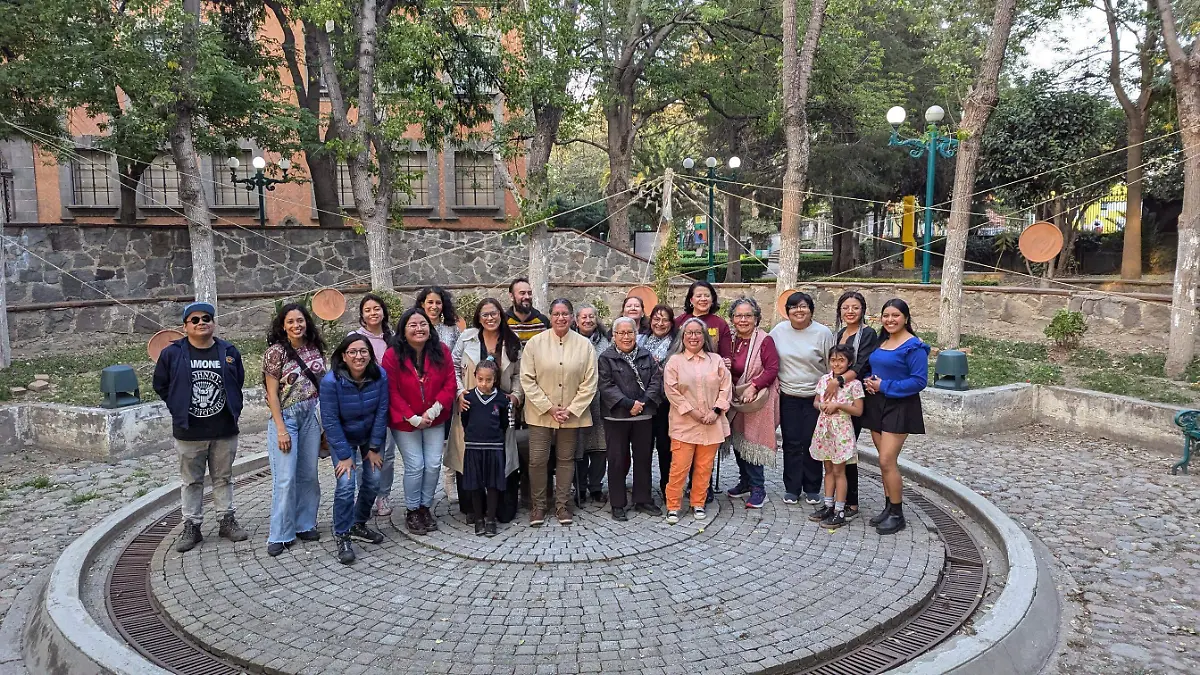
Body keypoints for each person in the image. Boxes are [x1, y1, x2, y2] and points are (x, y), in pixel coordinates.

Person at [152, 301, 248, 553]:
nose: (201, 323)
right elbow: (161, 384)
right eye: (194, 320)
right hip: (189, 431)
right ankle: (192, 526)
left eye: (206, 318)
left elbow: (238, 380)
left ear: (213, 323)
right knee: (191, 481)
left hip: (223, 428)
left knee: (223, 478)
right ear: (185, 327)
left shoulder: (228, 351)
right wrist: (177, 405)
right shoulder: (172, 354)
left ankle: (226, 520)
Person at [519, 298, 598, 527]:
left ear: (572, 317)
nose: (561, 318)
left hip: (571, 414)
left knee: (565, 459)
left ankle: (563, 504)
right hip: (541, 413)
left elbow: (590, 381)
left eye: (565, 314)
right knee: (537, 460)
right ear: (550, 316)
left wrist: (571, 409)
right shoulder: (535, 343)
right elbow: (527, 379)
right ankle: (539, 505)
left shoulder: (584, 345)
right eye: (556, 314)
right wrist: (549, 407)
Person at [448, 297, 524, 524]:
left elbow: (520, 374)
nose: (490, 318)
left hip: (499, 411)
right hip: (471, 408)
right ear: (478, 318)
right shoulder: (467, 337)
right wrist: (459, 392)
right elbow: (453, 366)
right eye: (485, 314)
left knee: (501, 457)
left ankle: (498, 506)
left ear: (501, 315)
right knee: (469, 457)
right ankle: (474, 508)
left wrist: (516, 396)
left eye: (494, 313)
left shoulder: (512, 340)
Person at [382, 308, 457, 535]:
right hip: (405, 421)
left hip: (434, 417)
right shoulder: (392, 355)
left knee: (433, 464)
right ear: (403, 330)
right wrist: (413, 417)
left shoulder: (441, 351)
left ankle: (425, 507)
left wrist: (432, 412)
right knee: (416, 465)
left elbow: (450, 383)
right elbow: (391, 390)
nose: (419, 329)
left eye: (423, 324)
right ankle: (413, 509)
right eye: (413, 325)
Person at [262, 303, 327, 557]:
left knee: (308, 474)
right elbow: (272, 394)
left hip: (312, 416)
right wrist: (281, 429)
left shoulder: (314, 348)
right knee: (285, 478)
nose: (296, 325)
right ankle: (280, 533)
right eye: (290, 322)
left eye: (300, 320)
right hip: (286, 418)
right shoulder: (275, 353)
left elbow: (323, 385)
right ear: (283, 325)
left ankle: (305, 523)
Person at [320, 335, 389, 564]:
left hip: (370, 436)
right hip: (343, 438)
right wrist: (343, 455)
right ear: (343, 356)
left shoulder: (380, 376)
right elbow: (330, 421)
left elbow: (382, 411)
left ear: (370, 354)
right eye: (352, 352)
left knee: (374, 480)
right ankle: (342, 534)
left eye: (363, 351)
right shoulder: (331, 382)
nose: (358, 356)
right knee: (346, 484)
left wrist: (374, 447)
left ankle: (358, 523)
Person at [863, 299, 929, 536]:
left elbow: (919, 381)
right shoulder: (882, 341)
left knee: (886, 460)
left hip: (900, 406)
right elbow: (874, 368)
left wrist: (884, 386)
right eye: (886, 315)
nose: (890, 320)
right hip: (876, 404)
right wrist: (869, 381)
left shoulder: (914, 347)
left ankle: (897, 514)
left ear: (906, 318)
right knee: (883, 461)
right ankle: (889, 507)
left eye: (895, 315)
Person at [662, 318, 731, 524]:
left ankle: (698, 503)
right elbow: (671, 390)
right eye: (689, 333)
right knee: (679, 468)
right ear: (682, 337)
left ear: (704, 336)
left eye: (698, 333)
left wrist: (716, 411)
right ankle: (673, 505)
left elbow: (726, 387)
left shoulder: (716, 360)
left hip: (711, 423)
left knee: (704, 468)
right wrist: (692, 412)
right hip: (684, 423)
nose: (694, 337)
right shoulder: (675, 361)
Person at [769, 291, 835, 506]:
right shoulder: (778, 332)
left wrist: (825, 393)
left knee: (811, 442)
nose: (799, 310)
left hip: (814, 397)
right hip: (788, 396)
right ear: (787, 311)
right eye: (794, 307)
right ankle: (792, 488)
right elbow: (769, 359)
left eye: (804, 306)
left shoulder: (822, 333)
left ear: (811, 310)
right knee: (791, 442)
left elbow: (830, 366)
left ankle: (812, 487)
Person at [597, 317, 665, 520]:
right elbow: (606, 385)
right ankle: (617, 503)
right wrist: (628, 404)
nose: (626, 337)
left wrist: (642, 402)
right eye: (621, 333)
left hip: (643, 416)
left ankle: (643, 499)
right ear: (614, 335)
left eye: (630, 332)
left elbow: (656, 381)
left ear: (636, 334)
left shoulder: (646, 355)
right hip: (616, 417)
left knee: (643, 459)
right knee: (616, 460)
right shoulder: (606, 358)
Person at [723, 298, 779, 510]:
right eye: (738, 315)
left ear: (756, 318)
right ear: (732, 318)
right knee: (739, 440)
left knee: (753, 441)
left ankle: (758, 488)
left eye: (748, 315)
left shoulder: (765, 340)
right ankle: (745, 482)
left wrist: (754, 386)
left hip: (756, 400)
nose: (743, 319)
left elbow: (772, 368)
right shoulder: (730, 340)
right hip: (735, 397)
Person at [350, 294, 401, 518]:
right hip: (361, 404)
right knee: (363, 454)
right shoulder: (354, 338)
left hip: (388, 403)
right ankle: (365, 496)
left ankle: (383, 495)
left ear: (383, 311)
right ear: (362, 314)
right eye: (368, 309)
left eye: (377, 308)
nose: (373, 313)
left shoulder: (394, 339)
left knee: (386, 454)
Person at [830, 291, 879, 519]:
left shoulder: (867, 334)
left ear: (863, 310)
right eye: (845, 307)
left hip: (853, 397)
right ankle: (835, 499)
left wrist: (838, 381)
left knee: (847, 450)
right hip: (834, 396)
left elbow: (860, 366)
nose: (850, 311)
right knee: (834, 450)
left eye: (855, 307)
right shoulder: (839, 334)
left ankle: (851, 502)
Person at [415, 286, 463, 506]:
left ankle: (449, 480)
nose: (434, 307)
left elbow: (457, 359)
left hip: (447, 391)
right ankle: (421, 489)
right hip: (420, 394)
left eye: (438, 302)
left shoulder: (452, 330)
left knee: (450, 438)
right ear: (422, 304)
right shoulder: (414, 327)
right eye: (430, 302)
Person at [808, 345, 865, 530]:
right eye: (833, 360)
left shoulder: (854, 384)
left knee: (840, 470)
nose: (837, 364)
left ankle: (840, 509)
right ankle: (828, 504)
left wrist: (839, 406)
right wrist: (822, 406)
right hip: (824, 429)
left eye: (841, 360)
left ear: (849, 362)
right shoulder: (824, 380)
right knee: (828, 469)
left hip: (841, 430)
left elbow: (858, 410)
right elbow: (816, 401)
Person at [459, 360, 510, 537]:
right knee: (475, 484)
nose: (484, 384)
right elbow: (465, 420)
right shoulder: (469, 398)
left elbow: (504, 423)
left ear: (495, 379)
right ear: (475, 377)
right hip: (474, 446)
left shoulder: (501, 399)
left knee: (493, 484)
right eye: (480, 379)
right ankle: (478, 518)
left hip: (494, 447)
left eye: (488, 380)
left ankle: (490, 519)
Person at [638, 304, 677, 497]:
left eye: (665, 320)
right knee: (643, 448)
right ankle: (642, 490)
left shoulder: (676, 345)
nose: (660, 323)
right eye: (656, 319)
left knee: (665, 448)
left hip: (665, 403)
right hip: (642, 401)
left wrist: (660, 371)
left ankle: (666, 487)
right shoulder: (640, 340)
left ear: (671, 323)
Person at [573, 303, 610, 503]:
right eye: (584, 317)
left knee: (599, 447)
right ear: (576, 320)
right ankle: (579, 487)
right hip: (577, 403)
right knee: (578, 447)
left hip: (601, 402)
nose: (588, 320)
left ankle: (596, 487)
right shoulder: (570, 341)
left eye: (591, 317)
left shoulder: (606, 342)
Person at [674, 281, 732, 363]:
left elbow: (726, 354)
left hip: (711, 368)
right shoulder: (680, 321)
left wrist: (727, 361)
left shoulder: (720, 324)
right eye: (698, 296)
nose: (703, 299)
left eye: (707, 296)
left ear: (712, 299)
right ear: (691, 300)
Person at [506, 278, 551, 345]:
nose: (527, 297)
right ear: (511, 296)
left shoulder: (543, 322)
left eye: (529, 293)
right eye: (522, 293)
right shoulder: (503, 322)